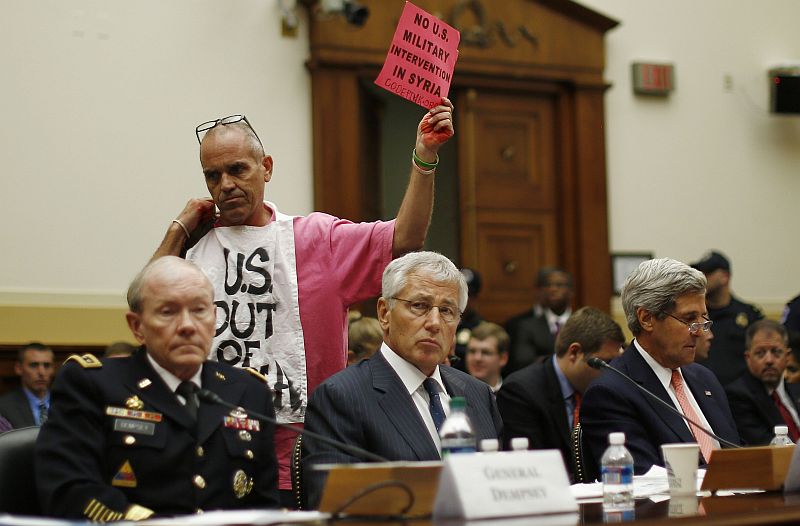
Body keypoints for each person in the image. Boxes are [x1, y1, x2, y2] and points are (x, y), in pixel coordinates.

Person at [150, 101, 455, 499]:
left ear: (267, 168)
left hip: (306, 452)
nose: (225, 184)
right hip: (211, 454)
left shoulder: (316, 238)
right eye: (213, 175)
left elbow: (406, 239)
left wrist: (424, 157)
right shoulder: (194, 246)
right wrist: (179, 229)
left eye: (238, 169)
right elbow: (148, 303)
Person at [36, 257, 279, 520]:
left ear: (215, 318)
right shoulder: (92, 384)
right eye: (168, 312)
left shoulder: (249, 392)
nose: (187, 326)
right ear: (137, 327)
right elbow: (71, 492)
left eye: (199, 310)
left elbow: (266, 507)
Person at [302, 252, 502, 508]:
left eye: (447, 311)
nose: (434, 323)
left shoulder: (477, 394)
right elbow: (340, 505)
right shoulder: (341, 396)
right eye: (419, 306)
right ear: (385, 313)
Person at [580, 258, 740, 479]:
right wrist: (725, 477)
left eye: (703, 318)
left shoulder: (705, 378)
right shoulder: (611, 393)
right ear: (646, 319)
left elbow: (738, 453)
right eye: (689, 319)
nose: (701, 331)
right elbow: (643, 479)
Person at [497, 307, 624, 480]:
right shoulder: (521, 392)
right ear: (575, 352)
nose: (612, 373)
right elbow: (529, 471)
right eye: (606, 363)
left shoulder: (603, 393)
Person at [690, 250, 763, 386]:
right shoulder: (693, 316)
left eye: (708, 273)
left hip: (742, 395)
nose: (701, 278)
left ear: (725, 276)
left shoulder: (749, 315)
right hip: (701, 388)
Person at [725, 320, 800, 446]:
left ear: (787, 356)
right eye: (760, 353)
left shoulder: (795, 386)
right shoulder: (738, 395)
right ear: (748, 358)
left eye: (776, 352)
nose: (769, 360)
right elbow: (765, 445)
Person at [505, 267, 574, 373]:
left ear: (571, 291)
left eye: (559, 285)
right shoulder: (527, 326)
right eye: (548, 285)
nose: (553, 289)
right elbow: (523, 362)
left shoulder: (583, 324)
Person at [0, 342, 55, 428]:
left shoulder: (65, 403)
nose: (42, 372)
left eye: (47, 365)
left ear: (53, 369)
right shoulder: (4, 407)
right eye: (34, 365)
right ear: (19, 368)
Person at [465, 321, 509, 392]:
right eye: (472, 351)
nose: (477, 358)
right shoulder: (452, 394)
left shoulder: (512, 395)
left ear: (503, 359)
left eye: (486, 353)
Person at [453, 267, 483, 370]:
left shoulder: (481, 328)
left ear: (476, 297)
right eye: (459, 293)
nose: (463, 299)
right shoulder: (438, 321)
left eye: (468, 294)